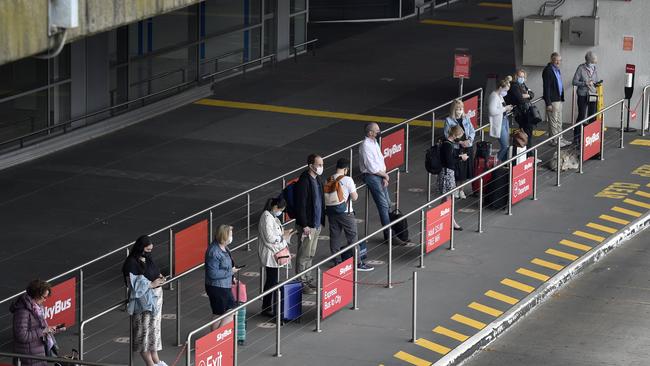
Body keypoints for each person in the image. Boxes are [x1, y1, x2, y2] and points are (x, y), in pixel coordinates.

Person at [122, 235, 167, 366]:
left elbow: (154, 272)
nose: (149, 252)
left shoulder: (148, 259)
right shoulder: (131, 263)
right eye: (147, 250)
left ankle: (156, 360)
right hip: (143, 305)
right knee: (144, 335)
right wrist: (152, 284)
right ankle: (150, 364)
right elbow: (134, 285)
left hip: (155, 302)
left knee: (153, 333)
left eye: (151, 249)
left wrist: (160, 277)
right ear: (141, 248)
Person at [325, 158, 374, 271]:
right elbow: (355, 197)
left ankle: (336, 261)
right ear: (346, 169)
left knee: (335, 237)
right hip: (346, 213)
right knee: (352, 237)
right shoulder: (348, 179)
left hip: (332, 212)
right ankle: (357, 263)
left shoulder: (329, 179)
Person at [359, 123, 400, 243]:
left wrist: (384, 176)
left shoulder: (374, 143)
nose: (379, 132)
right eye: (377, 130)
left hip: (380, 175)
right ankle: (389, 235)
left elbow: (381, 160)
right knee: (383, 205)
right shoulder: (365, 146)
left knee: (387, 203)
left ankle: (391, 232)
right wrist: (384, 175)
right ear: (370, 133)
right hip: (371, 176)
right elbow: (371, 167)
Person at [10, 279, 66, 366]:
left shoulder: (37, 308)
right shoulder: (22, 311)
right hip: (28, 357)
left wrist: (53, 329)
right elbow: (22, 336)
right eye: (44, 297)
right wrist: (42, 331)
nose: (45, 300)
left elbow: (40, 330)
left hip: (37, 353)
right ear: (36, 294)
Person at [294, 153, 326, 295]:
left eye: (322, 165)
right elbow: (300, 205)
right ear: (310, 166)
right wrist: (304, 224)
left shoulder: (318, 179)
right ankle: (301, 282)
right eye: (319, 165)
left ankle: (308, 278)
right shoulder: (304, 181)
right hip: (308, 225)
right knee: (304, 254)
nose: (321, 167)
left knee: (311, 253)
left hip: (316, 223)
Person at [258, 197, 294, 316]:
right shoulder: (267, 218)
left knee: (271, 280)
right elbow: (270, 237)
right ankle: (267, 307)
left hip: (273, 252)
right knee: (271, 281)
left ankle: (268, 306)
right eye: (281, 210)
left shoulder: (270, 216)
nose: (281, 212)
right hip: (270, 254)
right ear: (275, 207)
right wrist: (281, 237)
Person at [205, 224, 240, 330]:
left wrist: (231, 276)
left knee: (218, 314)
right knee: (231, 311)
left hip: (224, 285)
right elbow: (212, 273)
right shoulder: (214, 251)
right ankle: (217, 336)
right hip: (217, 287)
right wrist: (230, 272)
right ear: (223, 235)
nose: (231, 237)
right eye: (230, 234)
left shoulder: (224, 247)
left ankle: (215, 337)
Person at [443, 99, 476, 199]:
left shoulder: (466, 118)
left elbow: (472, 131)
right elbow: (447, 135)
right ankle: (455, 189)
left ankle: (461, 190)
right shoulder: (448, 120)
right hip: (457, 147)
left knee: (465, 170)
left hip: (467, 147)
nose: (460, 111)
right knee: (457, 170)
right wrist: (460, 142)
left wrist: (469, 140)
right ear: (454, 109)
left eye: (461, 108)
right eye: (457, 109)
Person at [438, 125, 467, 231]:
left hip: (445, 173)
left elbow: (449, 159)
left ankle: (441, 218)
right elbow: (449, 162)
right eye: (459, 135)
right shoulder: (448, 145)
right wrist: (461, 158)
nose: (460, 138)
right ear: (455, 135)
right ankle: (452, 221)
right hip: (447, 174)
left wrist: (459, 157)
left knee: (445, 199)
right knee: (448, 199)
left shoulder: (447, 143)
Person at [542, 52, 570, 147]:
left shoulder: (557, 70)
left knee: (559, 121)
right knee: (553, 121)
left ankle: (560, 138)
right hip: (553, 100)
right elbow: (546, 88)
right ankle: (555, 140)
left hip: (558, 99)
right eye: (556, 60)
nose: (558, 62)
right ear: (551, 60)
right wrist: (548, 103)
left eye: (559, 60)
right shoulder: (548, 70)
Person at [572, 51, 599, 145]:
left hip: (592, 94)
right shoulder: (581, 68)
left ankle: (590, 137)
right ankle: (577, 137)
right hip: (582, 95)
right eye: (595, 59)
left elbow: (595, 80)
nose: (596, 60)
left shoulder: (594, 68)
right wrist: (585, 83)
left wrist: (596, 83)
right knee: (582, 116)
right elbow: (574, 82)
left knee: (592, 116)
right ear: (590, 59)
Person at [506, 69, 536, 151]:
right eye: (520, 76)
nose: (521, 78)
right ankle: (528, 154)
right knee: (526, 134)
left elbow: (532, 94)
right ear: (516, 76)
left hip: (526, 112)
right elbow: (520, 99)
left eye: (523, 77)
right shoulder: (514, 86)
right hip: (521, 113)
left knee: (528, 133)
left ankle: (528, 153)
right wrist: (526, 95)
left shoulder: (523, 85)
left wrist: (526, 95)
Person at [489, 76, 514, 162]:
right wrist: (505, 108)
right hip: (499, 123)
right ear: (500, 88)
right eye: (505, 90)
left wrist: (507, 109)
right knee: (505, 146)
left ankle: (502, 163)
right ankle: (495, 162)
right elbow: (492, 111)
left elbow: (501, 107)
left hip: (504, 120)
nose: (506, 92)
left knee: (507, 145)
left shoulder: (499, 95)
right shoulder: (494, 96)